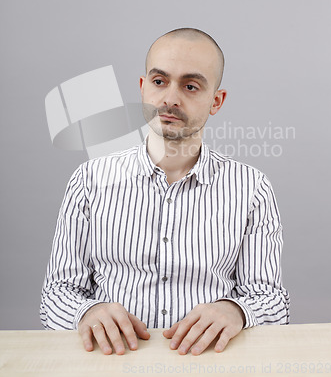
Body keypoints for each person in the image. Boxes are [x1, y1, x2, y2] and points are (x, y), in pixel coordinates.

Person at [40, 28, 290, 356]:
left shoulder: (251, 188)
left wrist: (237, 311)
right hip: (111, 365)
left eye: (190, 86)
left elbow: (273, 301)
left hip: (212, 366)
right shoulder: (89, 180)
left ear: (216, 101)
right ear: (143, 88)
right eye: (160, 82)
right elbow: (56, 295)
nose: (171, 98)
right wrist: (85, 312)